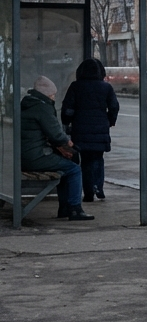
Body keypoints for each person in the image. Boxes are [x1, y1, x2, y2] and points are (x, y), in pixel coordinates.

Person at [20, 77, 92, 221]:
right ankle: (75, 209)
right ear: (46, 93)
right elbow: (56, 134)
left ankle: (65, 208)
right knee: (73, 169)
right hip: (35, 157)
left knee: (64, 167)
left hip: (22, 155)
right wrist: (69, 143)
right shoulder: (42, 107)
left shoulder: (26, 104)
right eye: (52, 94)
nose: (53, 97)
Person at [61, 58, 120, 202]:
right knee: (97, 158)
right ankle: (98, 187)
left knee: (83, 160)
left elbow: (67, 108)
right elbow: (114, 107)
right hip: (100, 128)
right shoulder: (106, 87)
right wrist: (110, 120)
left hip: (80, 128)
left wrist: (66, 122)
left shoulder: (76, 86)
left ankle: (88, 192)